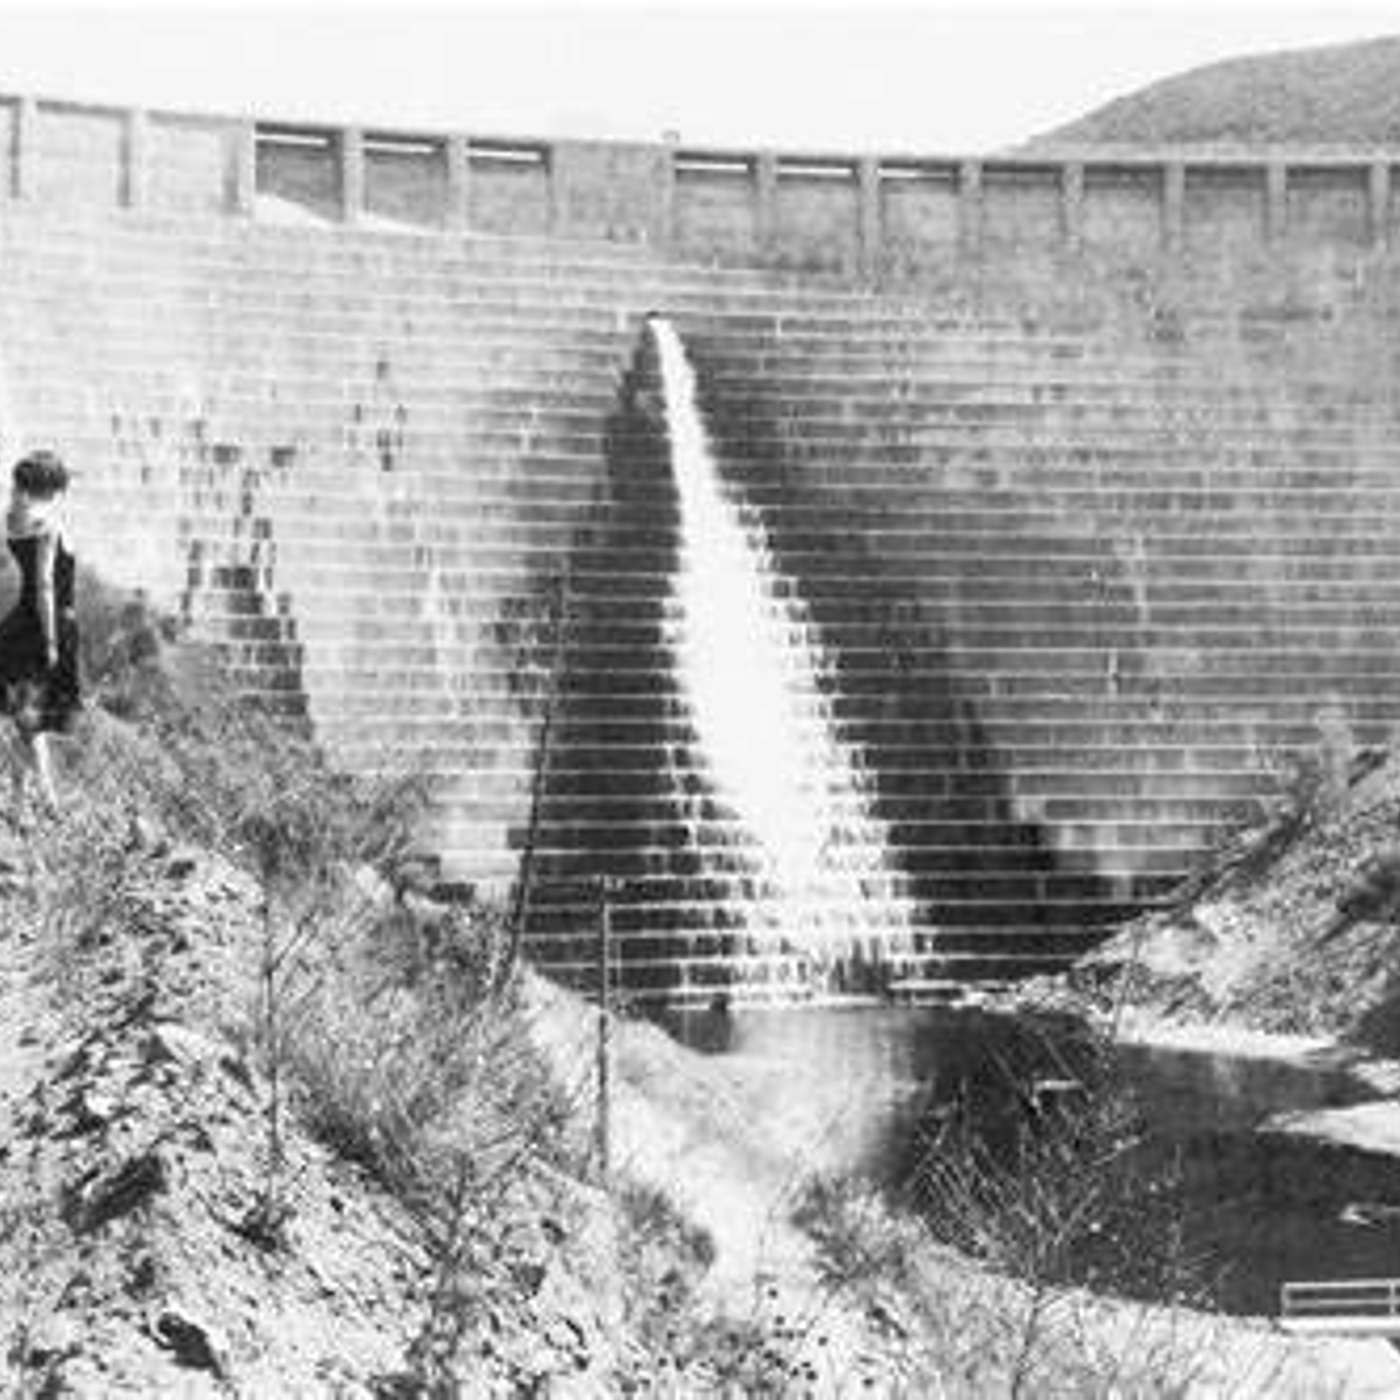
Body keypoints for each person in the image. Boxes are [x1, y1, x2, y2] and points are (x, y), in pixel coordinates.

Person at [0, 450, 80, 815]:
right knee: (31, 721)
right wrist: (51, 641)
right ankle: (44, 799)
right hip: (46, 624)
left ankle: (25, 800)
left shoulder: (10, 520)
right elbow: (46, 586)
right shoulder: (49, 526)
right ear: (51, 490)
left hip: (16, 623)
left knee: (25, 720)